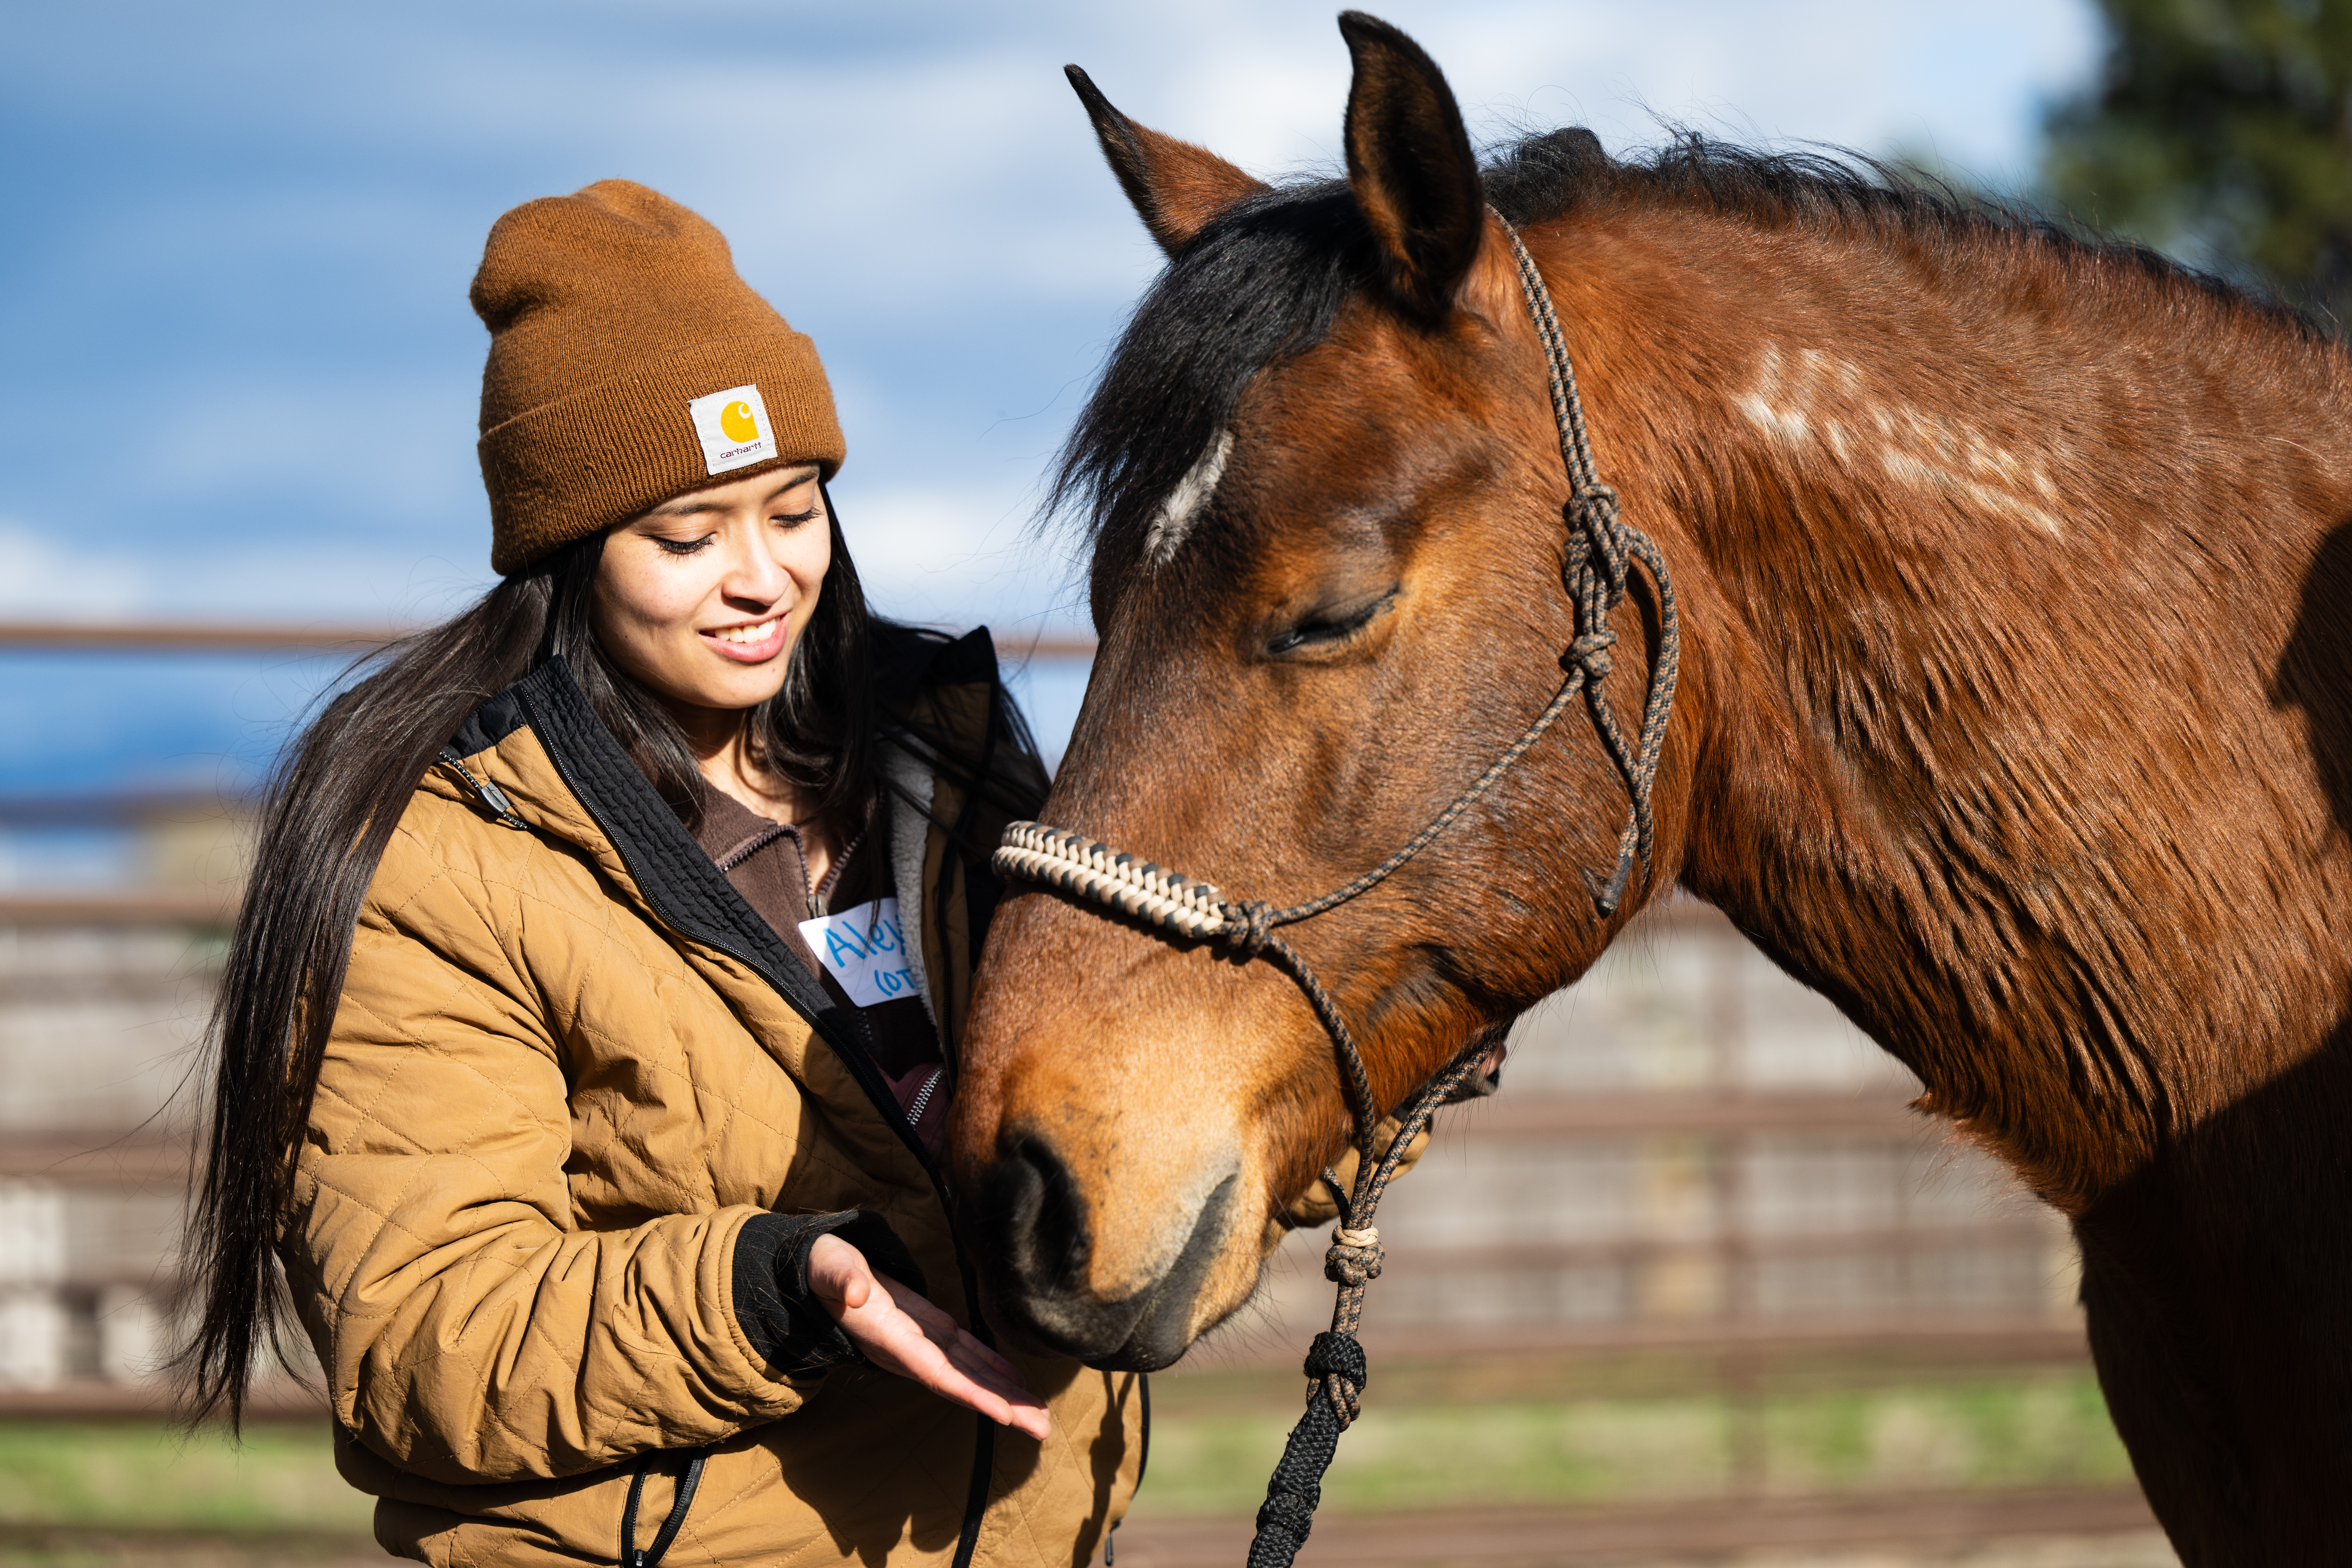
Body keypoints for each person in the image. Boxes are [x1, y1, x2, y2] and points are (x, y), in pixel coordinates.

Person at [177, 179, 1142, 1568]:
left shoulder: (948, 753)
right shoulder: (449, 857)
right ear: (569, 553)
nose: (761, 577)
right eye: (686, 536)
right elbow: (425, 1342)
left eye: (794, 508)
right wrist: (771, 1289)